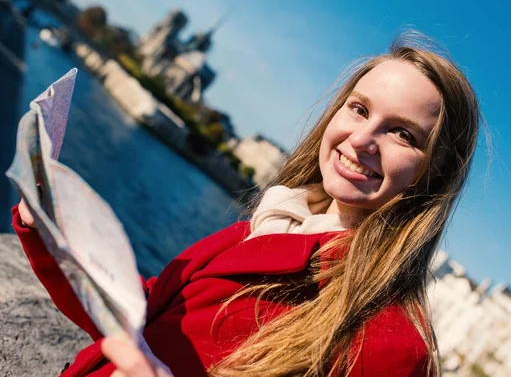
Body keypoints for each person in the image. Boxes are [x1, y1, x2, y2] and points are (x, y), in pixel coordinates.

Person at [13, 31, 480, 377]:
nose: (362, 139)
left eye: (402, 134)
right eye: (359, 109)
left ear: (434, 172)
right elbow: (146, 315)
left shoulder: (391, 343)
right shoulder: (272, 221)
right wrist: (52, 227)